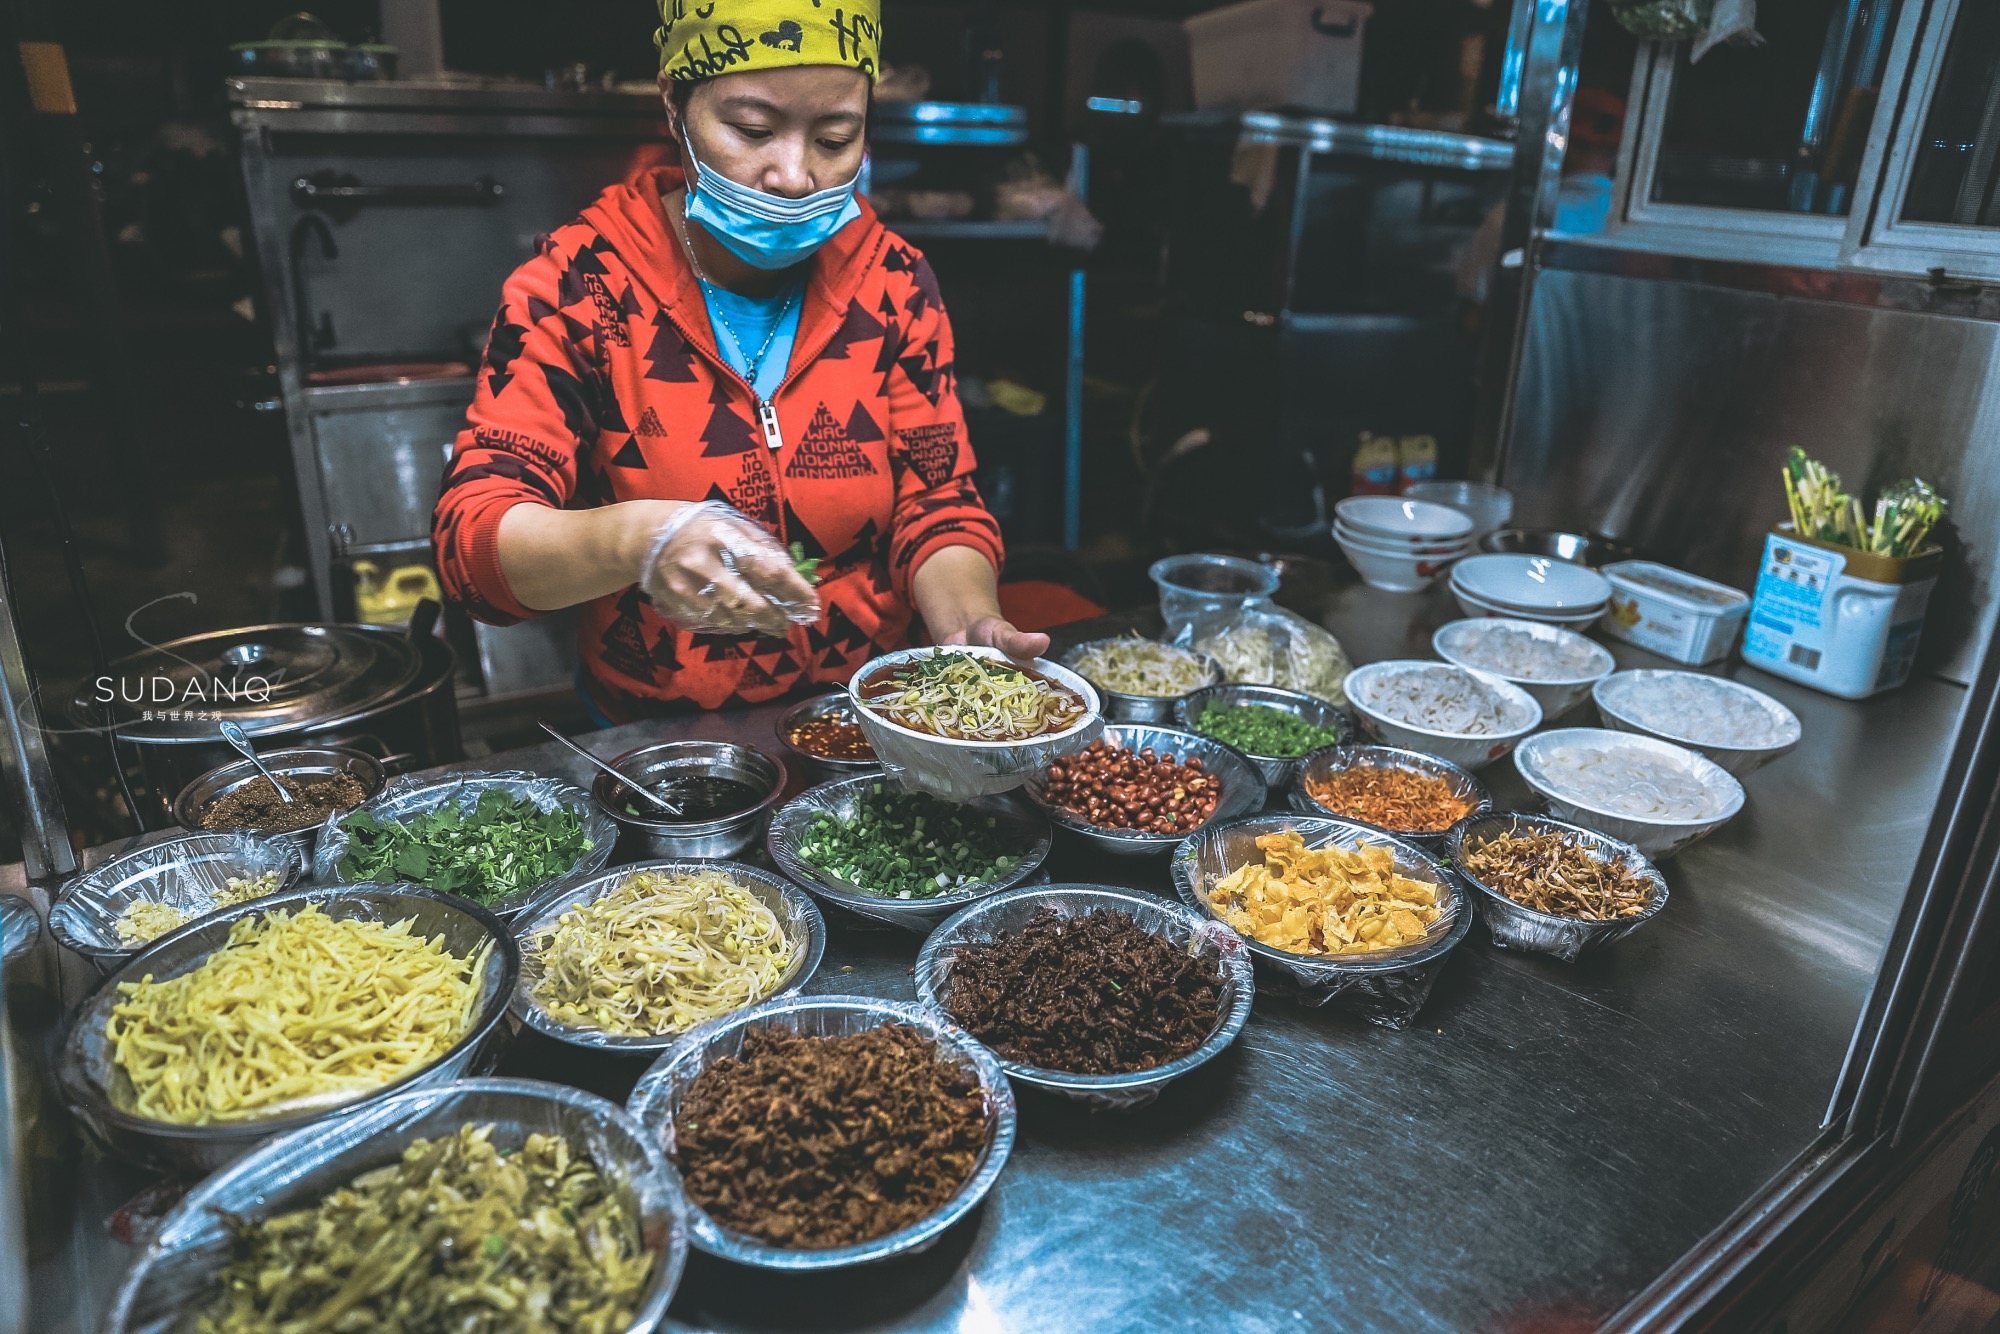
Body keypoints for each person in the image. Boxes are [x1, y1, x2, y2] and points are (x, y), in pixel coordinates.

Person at [431, 0, 1047, 722]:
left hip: (870, 721)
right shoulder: (580, 287)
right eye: (752, 130)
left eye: (834, 137)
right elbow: (474, 548)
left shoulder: (893, 283)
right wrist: (641, 539)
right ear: (673, 104)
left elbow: (936, 504)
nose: (793, 175)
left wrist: (967, 630)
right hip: (661, 740)